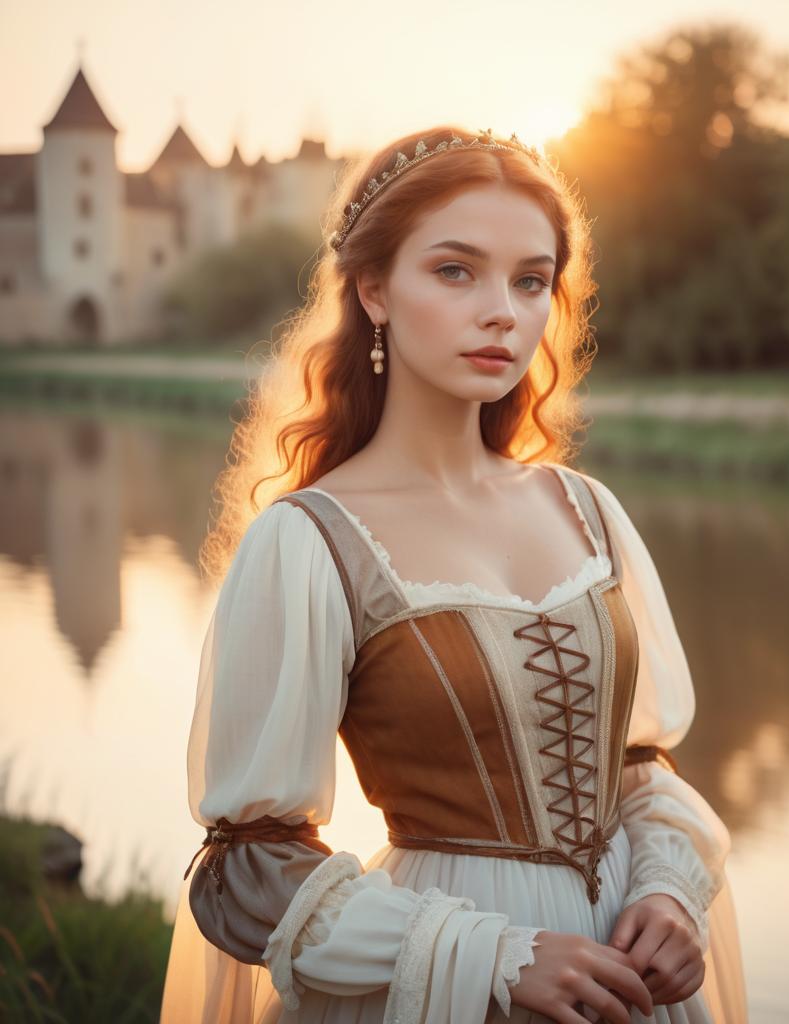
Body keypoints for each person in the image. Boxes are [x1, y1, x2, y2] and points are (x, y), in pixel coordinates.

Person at [159, 126, 748, 1024]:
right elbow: (250, 866)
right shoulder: (309, 540)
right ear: (373, 290)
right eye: (455, 270)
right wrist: (495, 958)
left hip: (628, 988)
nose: (503, 311)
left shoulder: (587, 511)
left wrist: (667, 892)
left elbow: (636, 769)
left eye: (531, 279)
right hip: (438, 992)